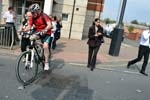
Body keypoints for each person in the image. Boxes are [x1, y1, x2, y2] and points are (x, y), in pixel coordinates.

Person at [24, 3, 52, 71]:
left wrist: (44, 30)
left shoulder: (44, 16)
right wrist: (23, 30)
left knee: (45, 46)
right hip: (38, 33)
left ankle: (46, 63)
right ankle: (34, 54)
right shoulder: (32, 18)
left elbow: (49, 25)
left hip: (46, 33)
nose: (32, 14)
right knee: (31, 38)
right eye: (32, 13)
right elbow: (29, 26)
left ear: (38, 11)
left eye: (33, 12)